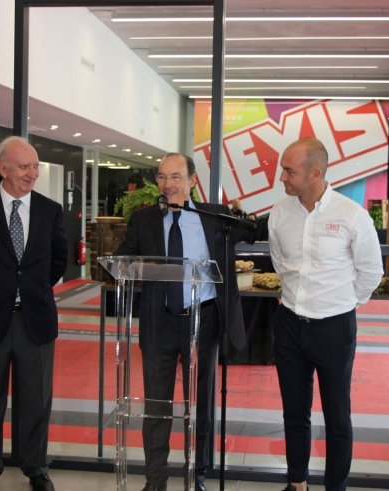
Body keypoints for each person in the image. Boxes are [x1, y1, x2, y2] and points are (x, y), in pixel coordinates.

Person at [115, 153, 258, 491]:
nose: (168, 185)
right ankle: (156, 479)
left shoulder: (215, 217)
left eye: (176, 177)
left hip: (203, 319)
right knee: (157, 405)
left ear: (193, 180)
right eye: (162, 178)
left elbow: (253, 232)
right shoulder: (144, 219)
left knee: (201, 402)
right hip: (158, 320)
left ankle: (198, 474)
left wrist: (245, 215)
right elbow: (124, 257)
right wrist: (122, 263)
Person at [268, 138, 383, 491]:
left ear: (315, 173)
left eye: (289, 170)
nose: (281, 177)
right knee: (294, 412)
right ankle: (296, 482)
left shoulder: (351, 215)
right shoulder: (279, 213)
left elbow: (371, 272)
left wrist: (341, 303)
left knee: (337, 416)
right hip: (289, 323)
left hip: (334, 327)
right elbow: (280, 263)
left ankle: (336, 486)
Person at [0, 136, 68, 491]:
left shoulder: (51, 211)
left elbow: (57, 262)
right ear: (2, 169)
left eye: (35, 166)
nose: (33, 173)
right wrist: (0, 292)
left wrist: (29, 290)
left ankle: (36, 467)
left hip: (35, 320)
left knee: (36, 401)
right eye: (24, 166)